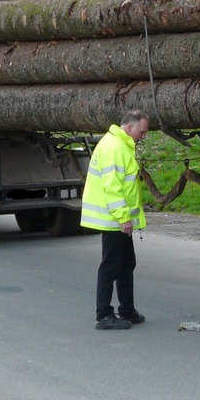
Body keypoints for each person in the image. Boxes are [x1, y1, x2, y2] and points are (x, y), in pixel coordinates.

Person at [82, 109, 150, 330]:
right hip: (113, 219)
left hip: (117, 219)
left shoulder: (120, 144)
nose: (144, 136)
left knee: (126, 264)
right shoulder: (114, 148)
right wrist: (123, 218)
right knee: (111, 267)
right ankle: (103, 315)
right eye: (142, 131)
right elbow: (112, 188)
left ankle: (126, 310)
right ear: (129, 127)